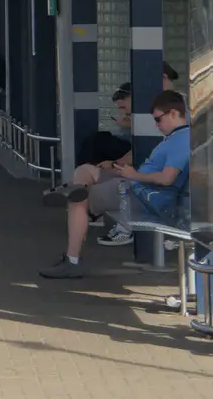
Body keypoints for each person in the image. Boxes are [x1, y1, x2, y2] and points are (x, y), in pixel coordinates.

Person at [38, 90, 192, 279]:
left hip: (139, 194)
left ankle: (72, 260)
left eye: (158, 119)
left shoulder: (180, 141)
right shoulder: (177, 138)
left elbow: (167, 179)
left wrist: (133, 174)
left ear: (174, 114)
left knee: (78, 201)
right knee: (86, 170)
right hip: (136, 186)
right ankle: (77, 188)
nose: (156, 125)